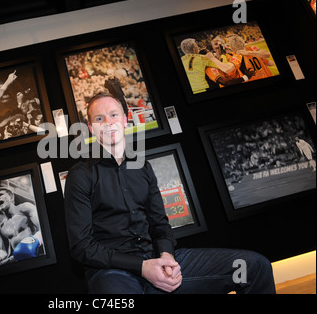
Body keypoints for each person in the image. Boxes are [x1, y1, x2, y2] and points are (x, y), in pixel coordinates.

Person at [64, 91, 276, 294]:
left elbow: (160, 225)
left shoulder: (143, 167)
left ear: (125, 120)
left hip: (158, 260)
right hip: (111, 272)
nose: (108, 122)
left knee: (254, 267)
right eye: (100, 118)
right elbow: (82, 247)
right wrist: (142, 266)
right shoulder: (81, 175)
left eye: (113, 115)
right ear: (91, 128)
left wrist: (166, 256)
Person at [0, 186, 43, 269]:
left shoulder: (25, 208)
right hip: (19, 260)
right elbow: (4, 250)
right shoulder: (1, 227)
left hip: (38, 253)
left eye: (1, 194)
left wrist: (33, 241)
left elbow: (43, 227)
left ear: (11, 196)